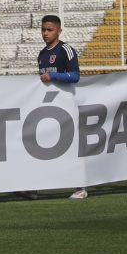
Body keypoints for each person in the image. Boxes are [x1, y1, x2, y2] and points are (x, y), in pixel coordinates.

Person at [38, 14, 85, 199]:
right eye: (43, 29)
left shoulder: (66, 50)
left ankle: (80, 187)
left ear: (59, 30)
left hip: (67, 105)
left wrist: (54, 76)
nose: (45, 33)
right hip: (50, 108)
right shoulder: (42, 54)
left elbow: (75, 76)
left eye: (49, 30)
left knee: (72, 146)